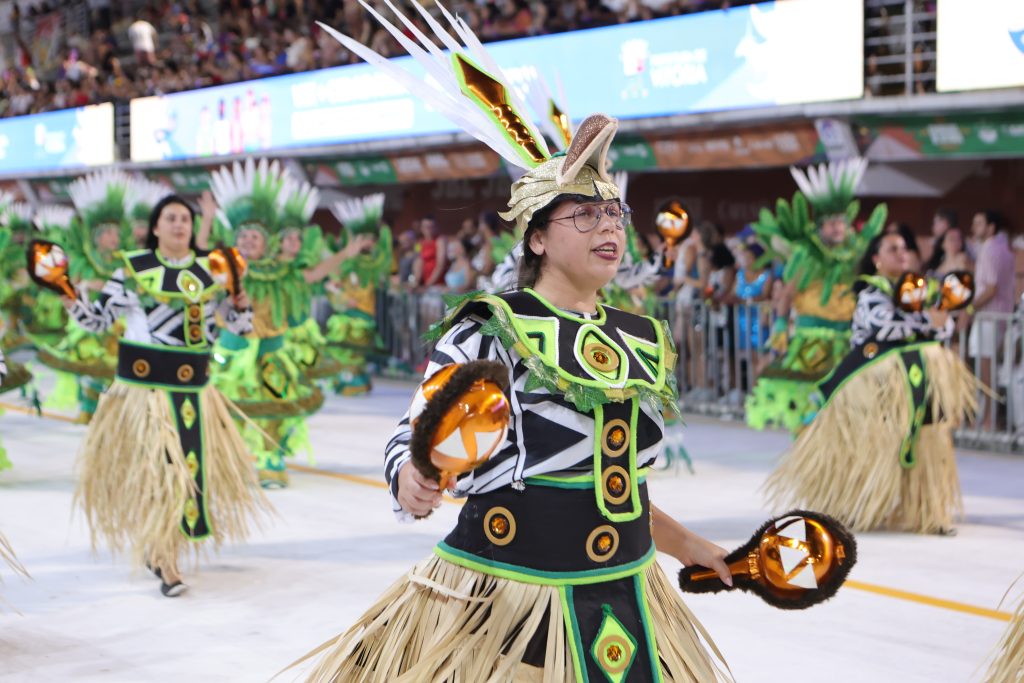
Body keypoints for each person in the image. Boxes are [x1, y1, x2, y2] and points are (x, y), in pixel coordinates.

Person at [297, 8, 733, 681]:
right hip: (509, 604)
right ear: (537, 237)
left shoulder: (638, 336)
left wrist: (690, 546)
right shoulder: (492, 326)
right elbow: (412, 434)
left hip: (628, 595)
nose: (608, 227)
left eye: (613, 213)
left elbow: (615, 486)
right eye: (584, 214)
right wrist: (411, 478)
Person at [61, 194, 270, 597]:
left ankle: (162, 548)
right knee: (160, 471)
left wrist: (241, 303)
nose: (179, 225)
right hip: (145, 398)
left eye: (185, 219)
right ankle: (163, 555)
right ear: (155, 226)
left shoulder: (213, 270)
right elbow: (98, 321)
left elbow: (241, 327)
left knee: (189, 473)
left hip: (195, 395)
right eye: (170, 218)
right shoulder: (131, 269)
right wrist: (68, 295)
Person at [764, 232, 979, 534]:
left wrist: (934, 322)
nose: (902, 253)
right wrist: (928, 323)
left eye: (904, 247)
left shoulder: (921, 289)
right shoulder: (870, 292)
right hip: (873, 383)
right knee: (867, 444)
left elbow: (944, 328)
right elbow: (884, 328)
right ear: (876, 258)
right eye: (893, 248)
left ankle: (927, 513)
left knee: (927, 439)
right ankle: (852, 507)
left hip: (917, 379)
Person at [745, 159, 886, 434]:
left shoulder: (855, 253)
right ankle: (809, 449)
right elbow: (787, 294)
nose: (838, 228)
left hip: (846, 341)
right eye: (832, 223)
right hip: (811, 341)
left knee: (848, 401)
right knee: (808, 404)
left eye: (841, 222)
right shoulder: (806, 255)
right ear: (820, 226)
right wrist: (781, 326)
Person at [968, 210, 1016, 430]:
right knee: (988, 369)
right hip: (998, 316)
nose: (974, 228)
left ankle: (989, 418)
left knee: (985, 370)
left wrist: (970, 309)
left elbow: (990, 287)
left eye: (979, 223)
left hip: (989, 317)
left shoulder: (990, 249)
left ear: (991, 227)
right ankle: (989, 417)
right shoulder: (1004, 249)